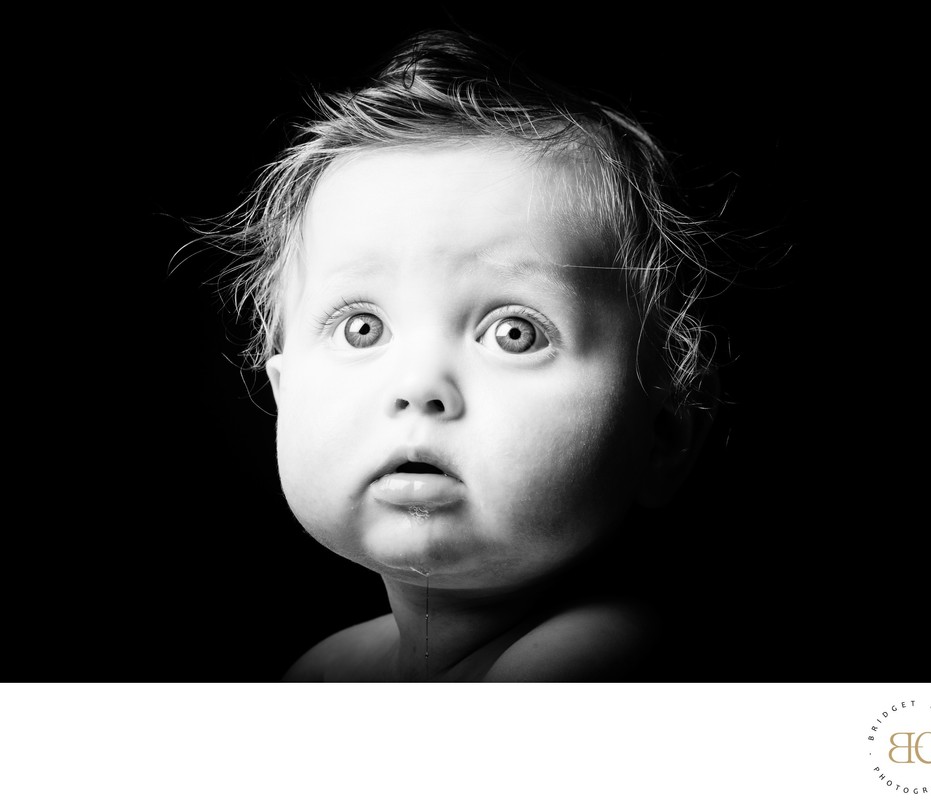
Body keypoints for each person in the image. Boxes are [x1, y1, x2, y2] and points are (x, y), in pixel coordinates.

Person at [209, 29, 721, 681]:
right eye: (362, 327)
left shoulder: (595, 660)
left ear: (663, 434)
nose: (420, 385)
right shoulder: (328, 667)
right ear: (282, 393)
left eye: (515, 332)